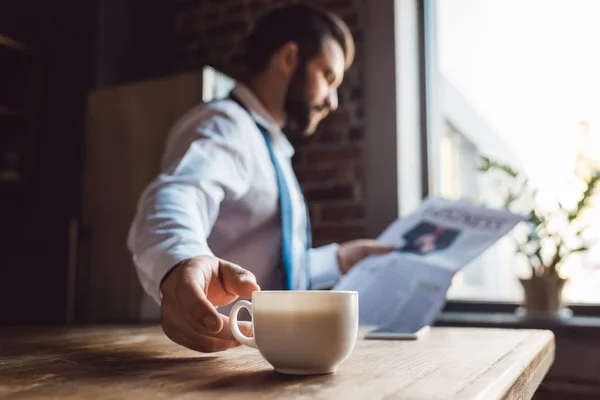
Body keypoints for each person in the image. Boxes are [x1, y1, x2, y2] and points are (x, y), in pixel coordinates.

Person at [127, 3, 395, 353]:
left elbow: (272, 266)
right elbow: (176, 195)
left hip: (245, 361)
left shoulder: (271, 148)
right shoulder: (223, 125)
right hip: (196, 359)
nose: (332, 101)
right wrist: (181, 262)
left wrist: (343, 258)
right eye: (327, 77)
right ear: (289, 58)